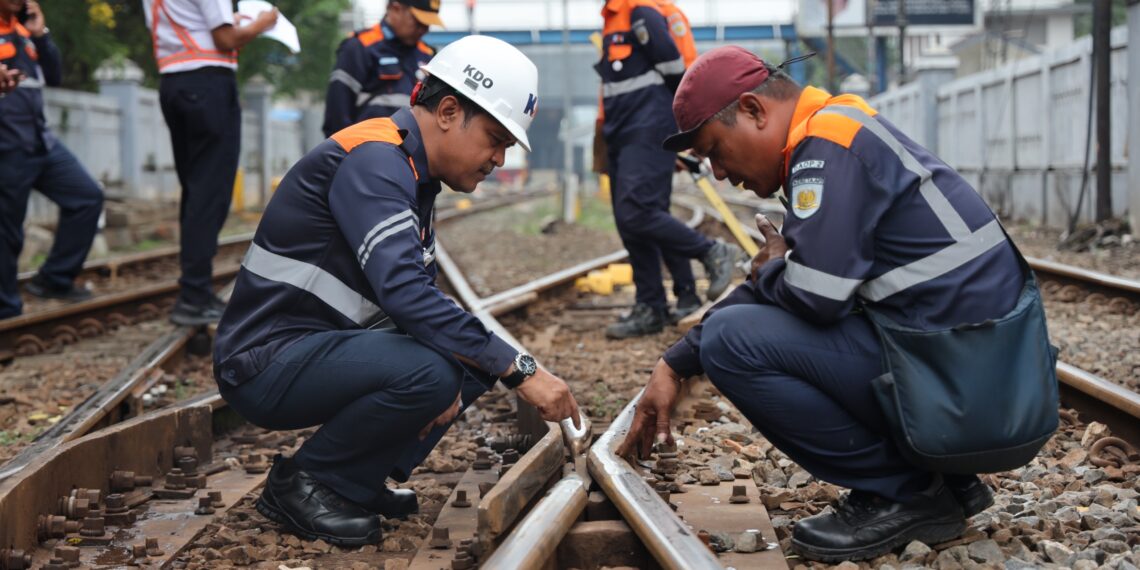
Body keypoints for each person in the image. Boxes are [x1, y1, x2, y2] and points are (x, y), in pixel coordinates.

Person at [619, 46, 1036, 562]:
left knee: (731, 343)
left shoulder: (826, 146)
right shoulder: (831, 131)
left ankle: (908, 493)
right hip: (974, 369)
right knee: (739, 325)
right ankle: (947, 481)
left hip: (969, 386)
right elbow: (788, 286)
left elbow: (814, 296)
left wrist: (774, 270)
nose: (721, 174)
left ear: (753, 110)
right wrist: (676, 361)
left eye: (717, 150)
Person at [214, 35, 581, 546]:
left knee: (466, 354)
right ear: (449, 111)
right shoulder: (375, 159)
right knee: (434, 368)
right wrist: (522, 370)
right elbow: (407, 293)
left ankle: (355, 479)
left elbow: (420, 303)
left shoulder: (412, 171)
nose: (499, 158)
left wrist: (488, 359)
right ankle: (308, 484)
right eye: (496, 138)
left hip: (310, 347)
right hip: (265, 360)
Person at [596, 0, 741, 339]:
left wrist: (684, 130)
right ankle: (653, 305)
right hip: (621, 131)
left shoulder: (640, 11)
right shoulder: (613, 18)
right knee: (630, 220)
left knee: (637, 210)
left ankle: (712, 251)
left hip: (647, 127)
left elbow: (677, 72)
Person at [144, 0, 278, 325]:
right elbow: (225, 40)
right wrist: (264, 22)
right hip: (207, 85)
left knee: (195, 190)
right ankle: (194, 295)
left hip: (174, 83)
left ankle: (195, 290)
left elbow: (186, 26)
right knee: (210, 193)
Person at [0, 0, 104, 319]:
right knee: (7, 230)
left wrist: (41, 33)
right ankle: (7, 311)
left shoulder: (24, 32)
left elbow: (55, 75)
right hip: (6, 143)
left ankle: (54, 279)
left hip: (39, 141)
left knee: (87, 197)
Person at [323, 0, 442, 137]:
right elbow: (337, 115)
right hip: (366, 152)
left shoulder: (428, 56)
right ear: (395, 8)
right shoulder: (359, 47)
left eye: (428, 24)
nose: (423, 29)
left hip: (413, 154)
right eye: (419, 21)